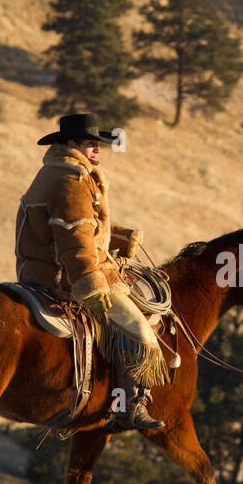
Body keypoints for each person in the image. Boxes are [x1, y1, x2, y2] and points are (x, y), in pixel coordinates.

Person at [15, 112, 168, 431]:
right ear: (71, 144)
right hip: (65, 279)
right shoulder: (72, 179)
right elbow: (75, 241)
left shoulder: (55, 172)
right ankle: (130, 407)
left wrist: (122, 237)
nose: (97, 150)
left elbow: (81, 228)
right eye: (90, 144)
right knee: (138, 330)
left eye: (98, 145)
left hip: (38, 271)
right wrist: (92, 288)